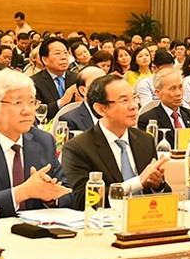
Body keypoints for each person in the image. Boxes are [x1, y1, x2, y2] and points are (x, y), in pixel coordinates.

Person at [0, 69, 72, 217]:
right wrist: (21, 193)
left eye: (32, 102)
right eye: (18, 103)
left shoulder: (43, 140)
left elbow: (67, 193)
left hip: (38, 232)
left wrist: (50, 197)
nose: (28, 111)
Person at [62, 75, 170, 209]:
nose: (134, 106)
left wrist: (157, 185)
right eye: (124, 100)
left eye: (134, 98)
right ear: (100, 109)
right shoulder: (78, 148)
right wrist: (137, 183)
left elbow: (163, 193)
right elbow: (83, 199)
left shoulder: (145, 140)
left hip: (145, 219)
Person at [137, 68, 190, 148]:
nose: (179, 93)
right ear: (158, 93)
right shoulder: (148, 120)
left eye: (180, 87)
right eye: (173, 89)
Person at [31, 37, 78, 119]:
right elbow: (37, 112)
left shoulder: (77, 78)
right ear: (45, 60)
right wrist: (62, 102)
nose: (63, 57)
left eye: (66, 53)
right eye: (57, 53)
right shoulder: (34, 82)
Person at [59, 66, 106, 132]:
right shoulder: (70, 119)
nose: (104, 87)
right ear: (83, 90)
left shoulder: (117, 112)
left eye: (106, 82)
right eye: (97, 84)